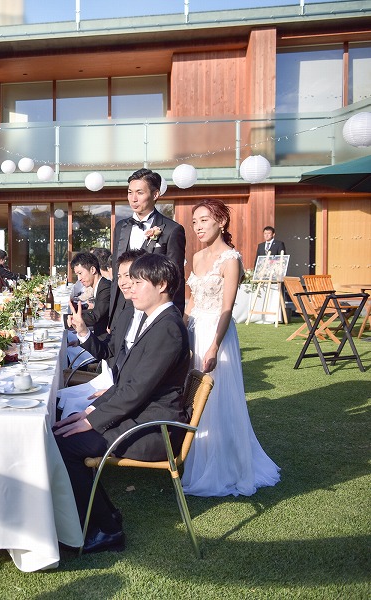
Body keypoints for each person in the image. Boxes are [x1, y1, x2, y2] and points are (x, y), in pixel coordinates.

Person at [53, 253, 190, 553]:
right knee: (62, 430)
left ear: (162, 285)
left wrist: (90, 420)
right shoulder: (155, 321)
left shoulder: (167, 328)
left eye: (139, 282)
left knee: (64, 444)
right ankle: (100, 514)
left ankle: (108, 529)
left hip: (154, 428)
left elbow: (135, 392)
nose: (130, 288)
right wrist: (89, 411)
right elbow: (125, 382)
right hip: (140, 416)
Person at [183, 199, 280, 497]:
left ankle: (225, 465)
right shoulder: (196, 257)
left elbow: (227, 309)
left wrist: (213, 346)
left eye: (204, 220)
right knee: (193, 398)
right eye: (195, 221)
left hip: (218, 334)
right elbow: (192, 300)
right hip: (194, 330)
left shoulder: (231, 259)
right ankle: (193, 457)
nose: (198, 227)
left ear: (221, 222)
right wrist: (179, 331)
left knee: (217, 399)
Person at [58, 249, 146, 418]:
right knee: (60, 400)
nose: (123, 283)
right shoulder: (128, 314)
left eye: (128, 276)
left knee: (65, 406)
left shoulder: (162, 325)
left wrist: (113, 392)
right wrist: (83, 332)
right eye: (119, 277)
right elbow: (109, 351)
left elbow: (142, 383)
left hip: (127, 407)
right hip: (113, 379)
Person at [108, 168, 186, 330]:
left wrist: (174, 320)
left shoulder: (172, 230)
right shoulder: (121, 227)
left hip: (153, 311)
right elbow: (117, 276)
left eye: (139, 193)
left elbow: (176, 280)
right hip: (121, 311)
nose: (133, 199)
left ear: (155, 194)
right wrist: (112, 317)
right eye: (130, 192)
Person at [67, 252, 110, 338]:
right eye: (77, 275)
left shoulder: (105, 287)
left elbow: (95, 316)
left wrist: (64, 318)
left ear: (93, 270)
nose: (79, 279)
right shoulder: (99, 286)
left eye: (80, 273)